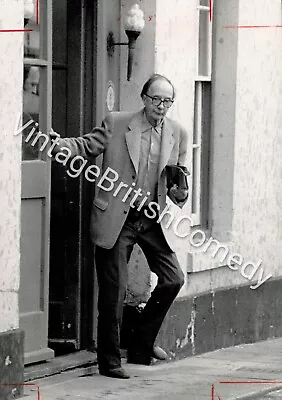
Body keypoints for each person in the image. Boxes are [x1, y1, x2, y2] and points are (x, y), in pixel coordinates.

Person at [51, 74, 189, 379]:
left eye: (168, 101)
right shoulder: (117, 123)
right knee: (114, 293)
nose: (162, 107)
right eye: (156, 99)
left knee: (173, 278)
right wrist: (57, 144)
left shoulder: (178, 133)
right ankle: (109, 361)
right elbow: (86, 146)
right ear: (143, 98)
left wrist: (181, 192)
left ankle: (141, 341)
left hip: (150, 218)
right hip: (117, 217)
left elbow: (179, 183)